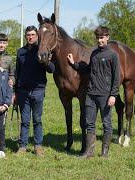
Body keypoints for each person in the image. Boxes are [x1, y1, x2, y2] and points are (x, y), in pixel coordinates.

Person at [67, 26, 120, 158]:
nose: (99, 40)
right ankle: (88, 152)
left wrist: (113, 95)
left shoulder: (113, 55)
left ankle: (104, 153)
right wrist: (74, 64)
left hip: (105, 95)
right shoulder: (94, 53)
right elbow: (88, 69)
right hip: (91, 94)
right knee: (89, 123)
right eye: (97, 38)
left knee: (106, 124)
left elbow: (116, 77)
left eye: (102, 38)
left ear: (107, 37)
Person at [14, 26, 55, 156]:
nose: (30, 37)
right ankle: (23, 146)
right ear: (26, 36)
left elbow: (52, 69)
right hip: (23, 91)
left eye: (32, 34)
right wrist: (15, 93)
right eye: (28, 35)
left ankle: (38, 146)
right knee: (25, 120)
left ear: (37, 36)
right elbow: (17, 72)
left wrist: (46, 62)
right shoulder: (20, 52)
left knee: (37, 119)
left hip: (38, 90)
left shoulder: (42, 50)